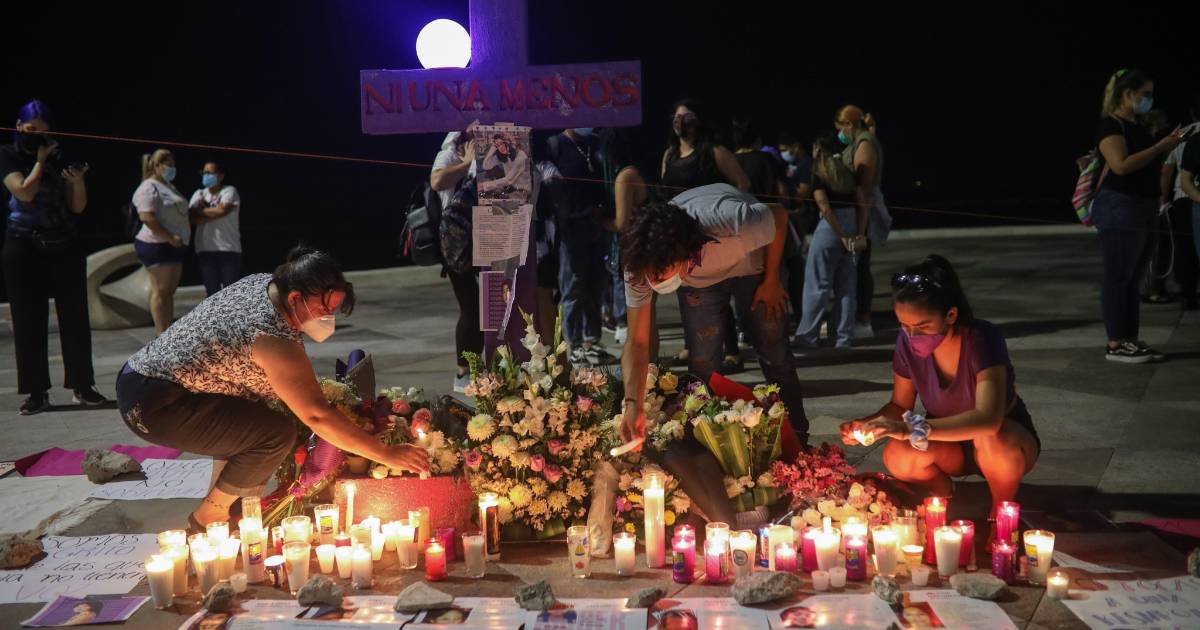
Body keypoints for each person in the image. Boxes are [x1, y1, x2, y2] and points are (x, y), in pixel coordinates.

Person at [116, 246, 429, 530]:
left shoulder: (265, 283)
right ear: (295, 299)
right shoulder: (272, 337)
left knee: (250, 418)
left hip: (139, 377)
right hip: (155, 404)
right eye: (324, 309)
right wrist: (386, 454)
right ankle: (208, 519)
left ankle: (225, 509)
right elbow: (317, 416)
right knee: (274, 435)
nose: (328, 318)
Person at [619, 184, 808, 524]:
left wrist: (772, 280)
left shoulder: (730, 223)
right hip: (700, 283)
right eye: (651, 276)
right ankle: (718, 463)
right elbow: (637, 341)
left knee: (774, 350)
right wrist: (633, 404)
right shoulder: (640, 260)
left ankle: (800, 447)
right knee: (703, 368)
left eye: (662, 274)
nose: (655, 281)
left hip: (753, 266)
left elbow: (779, 217)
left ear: (684, 253)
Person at [839, 255, 1040, 525]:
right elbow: (899, 405)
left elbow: (988, 420)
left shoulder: (981, 338)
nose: (913, 337)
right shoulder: (906, 344)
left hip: (1005, 439)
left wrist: (908, 429)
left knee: (992, 438)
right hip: (948, 442)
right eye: (905, 326)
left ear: (951, 315)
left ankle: (1002, 514)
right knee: (897, 454)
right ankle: (942, 492)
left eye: (923, 326)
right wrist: (869, 423)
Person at [1, 99, 107, 415]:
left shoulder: (59, 154)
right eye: (31, 129)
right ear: (19, 127)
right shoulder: (8, 154)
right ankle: (36, 391)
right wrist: (40, 160)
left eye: (44, 131)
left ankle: (82, 385)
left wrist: (77, 181)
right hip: (23, 244)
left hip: (64, 241)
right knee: (28, 319)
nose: (37, 135)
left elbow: (78, 207)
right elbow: (24, 192)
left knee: (75, 317)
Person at [1093, 69, 1187, 362]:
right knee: (1118, 276)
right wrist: (1160, 147)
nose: (1149, 99)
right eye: (1145, 94)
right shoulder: (1112, 125)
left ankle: (1129, 339)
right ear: (1127, 94)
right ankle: (1116, 343)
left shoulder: (1138, 125)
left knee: (1132, 279)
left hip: (1143, 207)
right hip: (1120, 207)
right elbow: (1120, 165)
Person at [661, 98, 751, 371]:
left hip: (710, 232)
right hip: (680, 233)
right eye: (677, 118)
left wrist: (727, 215)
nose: (681, 123)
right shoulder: (670, 155)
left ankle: (731, 351)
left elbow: (742, 183)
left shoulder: (713, 151)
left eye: (687, 117)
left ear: (699, 120)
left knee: (715, 291)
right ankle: (692, 345)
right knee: (686, 291)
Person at [548, 127, 612, 365]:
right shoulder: (556, 145)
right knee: (573, 288)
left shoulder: (594, 143)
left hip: (597, 226)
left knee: (596, 286)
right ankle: (573, 343)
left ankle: (591, 340)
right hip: (571, 230)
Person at [795, 135, 863, 349]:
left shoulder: (819, 172)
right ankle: (843, 337)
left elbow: (824, 207)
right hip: (853, 225)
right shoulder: (848, 172)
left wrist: (840, 234)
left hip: (830, 229)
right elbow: (863, 203)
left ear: (818, 149)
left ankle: (808, 336)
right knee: (847, 286)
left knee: (817, 284)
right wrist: (859, 233)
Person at [430, 130, 482, 393]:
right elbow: (437, 182)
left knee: (487, 307)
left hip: (483, 238)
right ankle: (463, 371)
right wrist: (467, 164)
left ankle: (478, 365)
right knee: (470, 307)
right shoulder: (448, 155)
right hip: (456, 244)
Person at [833, 105, 887, 341]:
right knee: (855, 266)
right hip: (857, 211)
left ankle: (862, 319)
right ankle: (852, 317)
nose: (839, 134)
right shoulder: (862, 141)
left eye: (840, 128)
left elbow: (863, 186)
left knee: (860, 265)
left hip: (862, 213)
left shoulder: (864, 143)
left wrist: (861, 227)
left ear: (848, 124)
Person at [601, 127, 650, 349]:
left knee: (636, 319)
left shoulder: (624, 177)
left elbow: (621, 223)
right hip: (647, 245)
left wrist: (599, 219)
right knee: (647, 317)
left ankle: (640, 364)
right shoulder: (639, 171)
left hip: (634, 249)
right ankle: (650, 363)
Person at [133, 149, 190, 336]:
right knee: (160, 292)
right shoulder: (148, 187)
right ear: (156, 166)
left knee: (169, 292)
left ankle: (168, 333)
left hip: (175, 244)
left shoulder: (167, 185)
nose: (172, 168)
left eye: (173, 165)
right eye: (168, 165)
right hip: (157, 244)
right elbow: (146, 217)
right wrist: (170, 237)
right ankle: (160, 335)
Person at [1159, 94, 1200, 311]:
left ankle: (1188, 293)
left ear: (1193, 113)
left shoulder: (1183, 134)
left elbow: (1167, 171)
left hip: (1183, 197)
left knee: (1186, 248)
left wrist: (1163, 199)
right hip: (1193, 195)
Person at [190, 161, 242, 296]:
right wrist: (213, 213)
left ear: (221, 176)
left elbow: (222, 210)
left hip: (228, 248)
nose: (206, 175)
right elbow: (191, 217)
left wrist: (201, 211)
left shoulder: (229, 191)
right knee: (212, 293)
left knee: (231, 293)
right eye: (204, 172)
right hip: (205, 249)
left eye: (210, 172)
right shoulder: (199, 193)